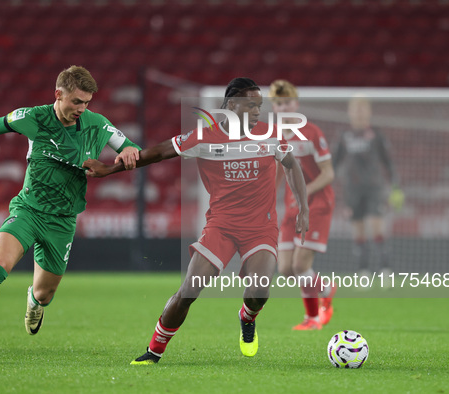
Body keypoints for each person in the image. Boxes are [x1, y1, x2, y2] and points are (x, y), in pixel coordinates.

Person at [84, 77, 309, 364]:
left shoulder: (272, 135)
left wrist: (303, 208)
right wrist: (106, 170)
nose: (257, 112)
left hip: (260, 228)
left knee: (259, 291)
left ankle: (247, 316)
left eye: (259, 106)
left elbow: (292, 165)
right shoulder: (203, 137)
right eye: (251, 105)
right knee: (189, 290)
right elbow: (155, 154)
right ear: (230, 106)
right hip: (221, 227)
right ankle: (154, 351)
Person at [0, 65, 141, 359]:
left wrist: (129, 150)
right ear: (58, 95)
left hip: (62, 221)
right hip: (28, 210)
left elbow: (130, 146)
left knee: (44, 293)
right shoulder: (32, 117)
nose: (82, 108)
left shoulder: (97, 124)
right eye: (77, 101)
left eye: (87, 102)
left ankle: (34, 303)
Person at [269, 80, 336, 330]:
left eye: (287, 102)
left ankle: (312, 319)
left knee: (300, 265)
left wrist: (305, 191)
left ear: (296, 104)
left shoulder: (312, 133)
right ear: (274, 108)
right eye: (278, 103)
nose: (283, 107)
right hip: (292, 205)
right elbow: (277, 169)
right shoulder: (274, 136)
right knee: (285, 269)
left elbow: (329, 174)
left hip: (317, 203)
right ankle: (326, 289)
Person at [332, 95, 404, 277]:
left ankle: (385, 269)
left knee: (376, 225)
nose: (359, 113)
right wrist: (327, 185)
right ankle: (363, 269)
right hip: (352, 189)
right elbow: (334, 163)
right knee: (358, 229)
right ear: (349, 113)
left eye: (362, 109)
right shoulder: (344, 136)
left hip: (374, 188)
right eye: (355, 109)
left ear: (369, 112)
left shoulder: (377, 135)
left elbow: (388, 162)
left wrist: (395, 186)